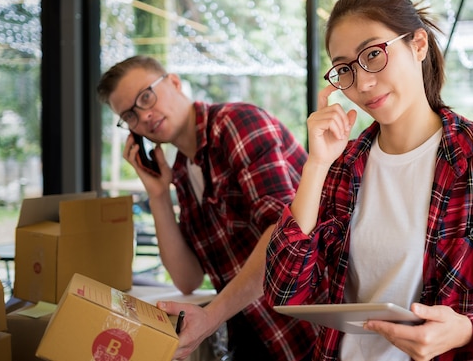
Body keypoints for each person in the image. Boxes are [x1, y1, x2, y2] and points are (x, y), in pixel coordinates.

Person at [263, 0, 473, 361]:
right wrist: (317, 164)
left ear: (418, 44)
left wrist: (465, 331)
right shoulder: (342, 166)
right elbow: (283, 290)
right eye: (345, 69)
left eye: (373, 54)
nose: (363, 83)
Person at [97, 55, 318, 361]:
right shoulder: (183, 170)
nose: (144, 116)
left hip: (309, 329)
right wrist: (159, 196)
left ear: (174, 82)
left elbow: (283, 237)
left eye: (146, 97)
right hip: (256, 331)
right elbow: (187, 278)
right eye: (130, 116)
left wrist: (211, 317)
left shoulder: (237, 124)